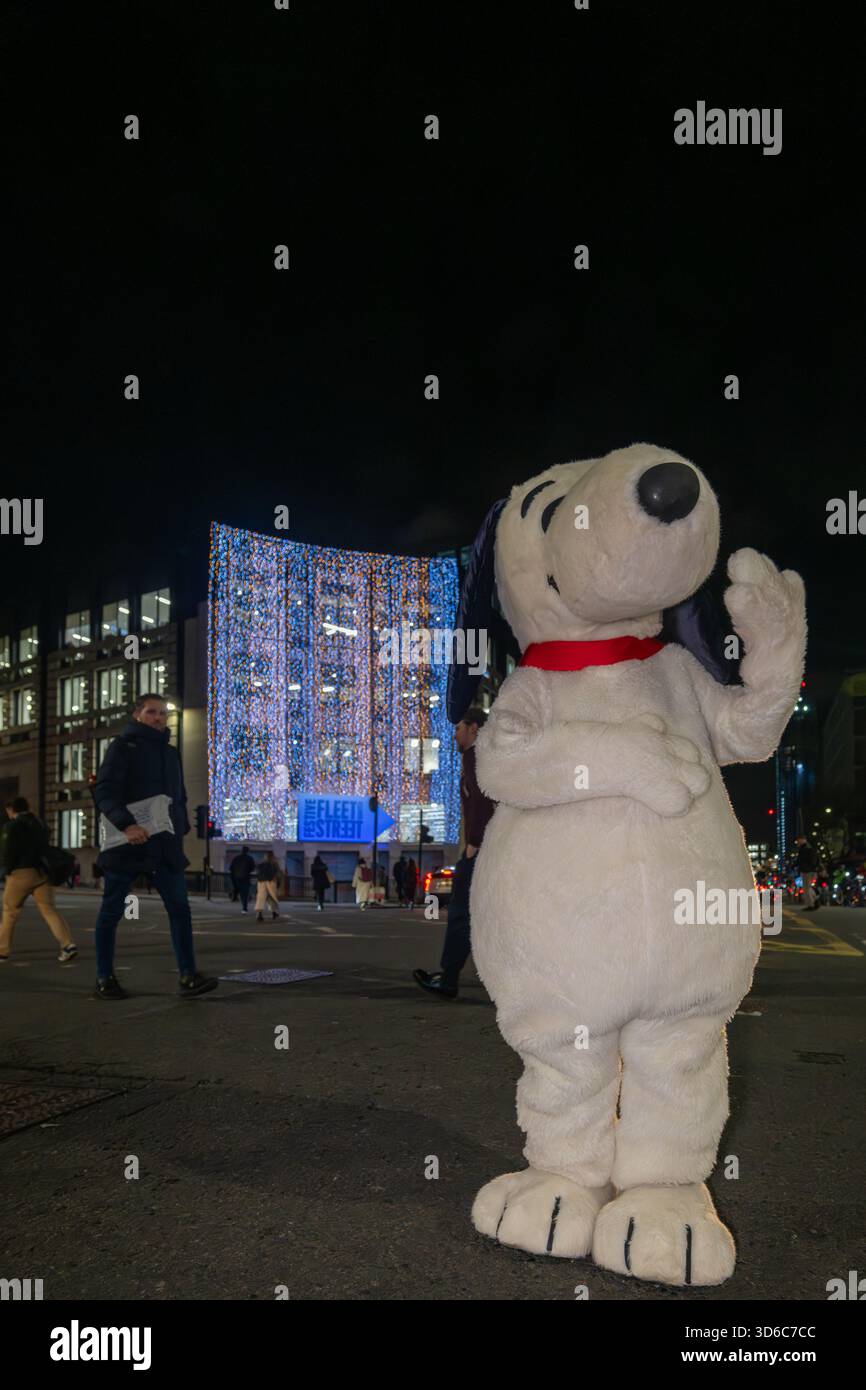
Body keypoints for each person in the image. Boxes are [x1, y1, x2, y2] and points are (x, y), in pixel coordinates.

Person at [92, 693, 217, 1000]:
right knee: (111, 912)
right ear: (138, 715)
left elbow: (180, 794)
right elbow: (105, 791)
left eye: (162, 713)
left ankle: (188, 975)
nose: (158, 718)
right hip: (128, 842)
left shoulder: (171, 753)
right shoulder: (123, 747)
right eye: (151, 712)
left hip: (164, 844)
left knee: (180, 910)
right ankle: (104, 978)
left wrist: (182, 824)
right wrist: (126, 824)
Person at [413, 706, 496, 999]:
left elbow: (482, 801)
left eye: (460, 727)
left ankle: (449, 979)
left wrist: (473, 844)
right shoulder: (481, 756)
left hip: (480, 850)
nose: (456, 733)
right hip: (489, 849)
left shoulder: (475, 757)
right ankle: (449, 976)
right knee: (478, 916)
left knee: (461, 912)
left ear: (474, 728)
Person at [0, 797, 78, 963]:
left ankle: (2, 950)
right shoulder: (40, 824)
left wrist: (6, 871)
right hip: (43, 872)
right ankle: (68, 944)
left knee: (10, 911)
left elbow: (8, 852)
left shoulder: (12, 826)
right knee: (49, 910)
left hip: (21, 872)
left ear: (11, 809)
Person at [255, 850, 281, 920]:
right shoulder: (274, 863)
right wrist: (278, 882)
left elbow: (257, 872)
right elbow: (278, 873)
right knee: (272, 897)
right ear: (272, 856)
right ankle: (274, 912)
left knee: (261, 897)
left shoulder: (260, 863)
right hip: (271, 881)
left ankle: (259, 914)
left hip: (261, 881)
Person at [795, 834, 819, 910]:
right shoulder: (806, 847)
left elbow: (802, 860)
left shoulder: (805, 848)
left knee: (806, 888)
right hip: (808, 869)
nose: (798, 842)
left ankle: (811, 905)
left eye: (799, 840)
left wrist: (811, 867)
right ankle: (815, 900)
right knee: (807, 887)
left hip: (807, 870)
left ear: (803, 840)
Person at [230, 845, 255, 913]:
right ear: (247, 851)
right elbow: (252, 868)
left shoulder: (236, 858)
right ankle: (244, 907)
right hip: (246, 877)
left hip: (237, 878)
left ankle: (239, 900)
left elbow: (231, 868)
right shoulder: (249, 858)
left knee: (241, 892)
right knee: (245, 892)